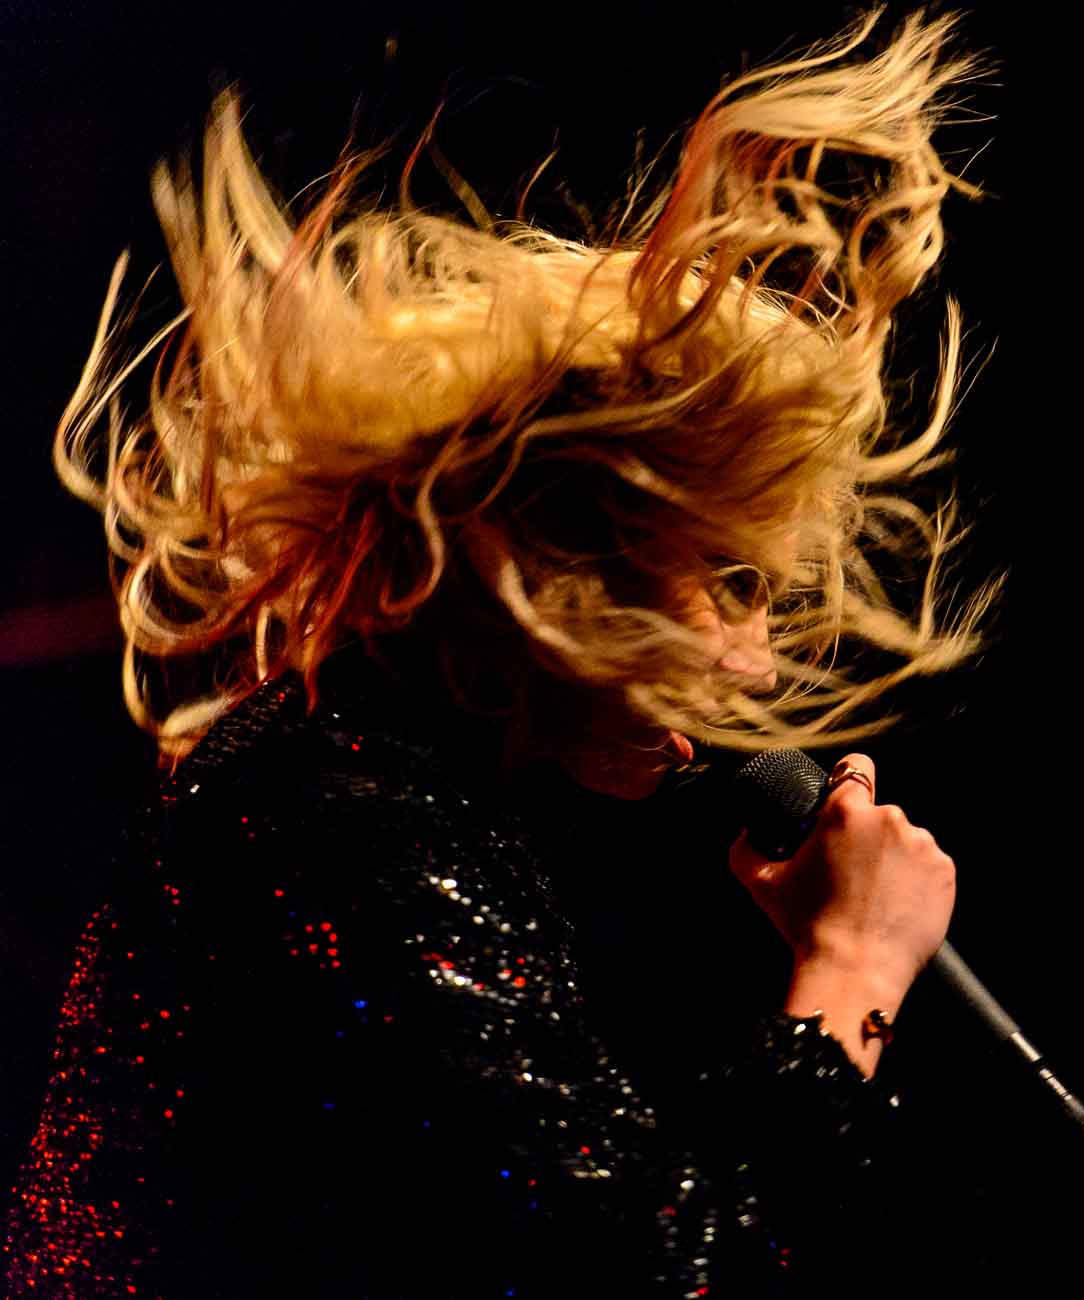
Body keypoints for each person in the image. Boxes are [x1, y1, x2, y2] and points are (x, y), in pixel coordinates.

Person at [2, 8, 1000, 1296]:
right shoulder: (339, 817)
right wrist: (855, 965)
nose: (757, 671)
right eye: (732, 584)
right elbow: (671, 1278)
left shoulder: (375, 794)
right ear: (568, 568)